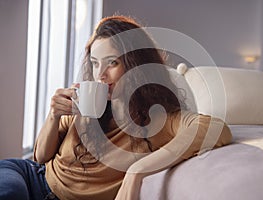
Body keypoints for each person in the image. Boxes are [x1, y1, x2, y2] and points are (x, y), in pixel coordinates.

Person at [0, 15, 232, 200]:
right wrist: (54, 115)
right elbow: (40, 158)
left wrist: (137, 170)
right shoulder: (84, 104)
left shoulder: (160, 120)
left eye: (112, 62)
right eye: (94, 63)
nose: (100, 74)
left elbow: (215, 129)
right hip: (29, 177)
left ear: (135, 64)